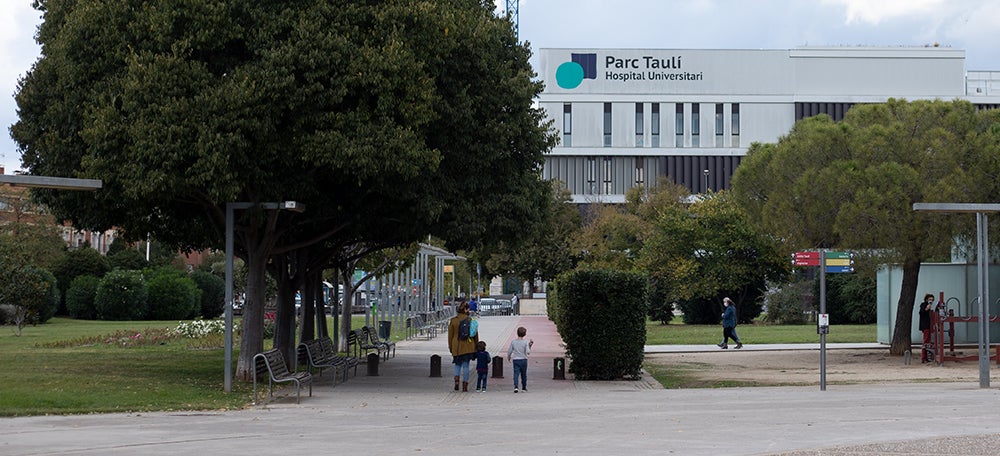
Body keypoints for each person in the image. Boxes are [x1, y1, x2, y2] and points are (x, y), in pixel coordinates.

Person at [448, 302, 479, 392]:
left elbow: (450, 336)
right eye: (468, 309)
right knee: (466, 366)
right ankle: (465, 385)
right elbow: (475, 335)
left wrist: (450, 347)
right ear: (465, 310)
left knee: (457, 365)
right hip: (468, 346)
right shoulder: (470, 320)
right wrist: (476, 346)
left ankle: (456, 381)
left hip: (456, 346)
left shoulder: (453, 321)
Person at [507, 326, 533, 392]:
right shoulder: (526, 342)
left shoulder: (513, 342)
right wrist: (530, 345)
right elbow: (528, 352)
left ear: (517, 333)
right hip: (524, 359)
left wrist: (509, 357)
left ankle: (516, 387)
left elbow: (509, 351)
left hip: (516, 360)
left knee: (516, 373)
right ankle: (524, 388)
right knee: (524, 374)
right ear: (525, 334)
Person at [919, 293, 934, 363]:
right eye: (929, 299)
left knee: (927, 341)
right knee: (925, 341)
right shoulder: (923, 305)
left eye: (932, 300)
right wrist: (927, 308)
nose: (931, 301)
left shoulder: (930, 306)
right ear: (926, 299)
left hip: (928, 325)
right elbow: (921, 312)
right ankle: (923, 357)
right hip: (925, 325)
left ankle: (926, 357)